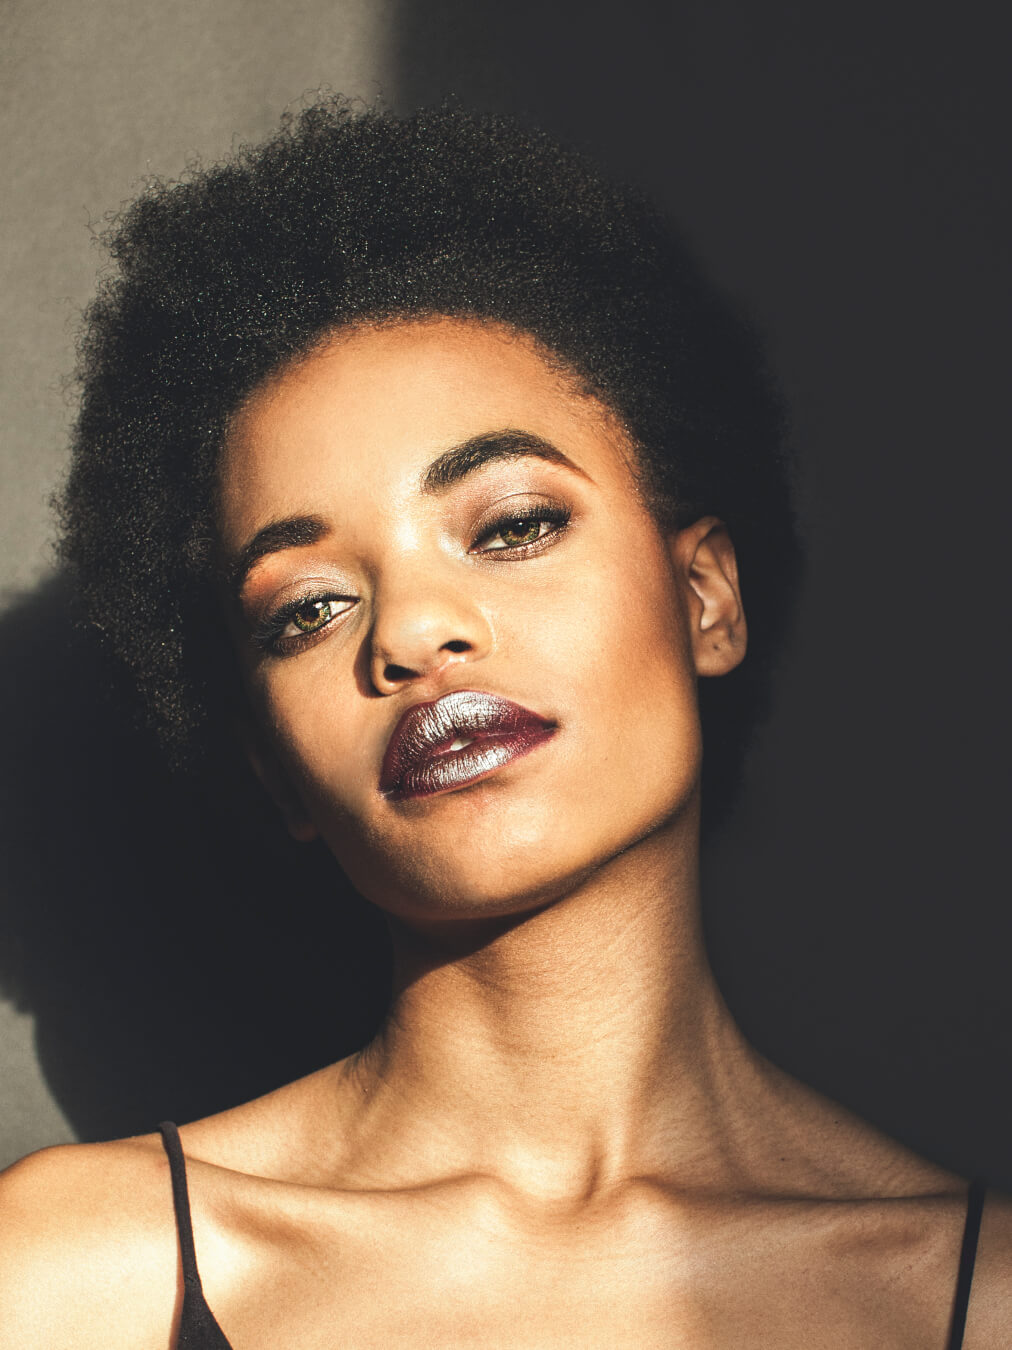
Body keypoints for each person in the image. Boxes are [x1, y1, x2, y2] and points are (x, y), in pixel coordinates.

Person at [0, 99, 1007, 1347]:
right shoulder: (75, 1281)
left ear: (703, 599)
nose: (412, 633)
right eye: (310, 607)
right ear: (273, 773)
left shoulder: (972, 1296)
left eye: (512, 524)